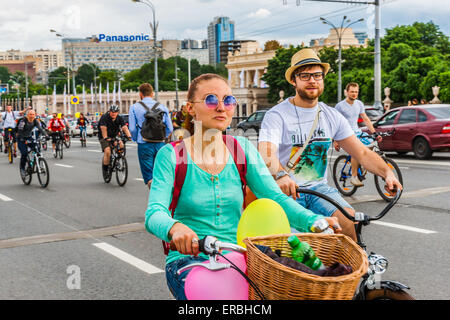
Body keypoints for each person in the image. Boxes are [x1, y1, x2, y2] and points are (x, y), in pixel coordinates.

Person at [144, 73, 342, 300]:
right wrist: (175, 229)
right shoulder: (171, 155)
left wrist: (312, 220)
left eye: (228, 101)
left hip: (240, 256)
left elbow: (275, 198)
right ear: (190, 108)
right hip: (190, 260)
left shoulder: (242, 149)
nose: (221, 107)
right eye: (210, 100)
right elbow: (154, 213)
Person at [258, 48, 403, 241]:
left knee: (349, 219)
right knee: (297, 242)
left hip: (318, 189)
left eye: (317, 75)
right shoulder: (277, 115)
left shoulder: (331, 115)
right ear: (294, 80)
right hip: (285, 191)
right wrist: (281, 175)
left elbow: (361, 153)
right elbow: (266, 151)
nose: (312, 80)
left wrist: (387, 173)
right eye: (305, 75)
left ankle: (354, 267)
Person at [334, 82, 382, 187]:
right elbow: (334, 123)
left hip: (357, 131)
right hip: (345, 134)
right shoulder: (340, 106)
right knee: (356, 150)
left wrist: (374, 133)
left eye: (356, 92)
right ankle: (354, 177)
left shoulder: (359, 104)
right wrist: (335, 140)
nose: (354, 94)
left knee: (371, 144)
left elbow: (365, 118)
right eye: (352, 92)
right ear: (346, 92)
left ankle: (362, 163)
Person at [129, 83, 173, 189]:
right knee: (162, 173)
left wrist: (136, 138)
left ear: (140, 94)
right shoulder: (162, 107)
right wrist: (163, 136)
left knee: (149, 176)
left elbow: (132, 128)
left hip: (144, 143)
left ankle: (155, 197)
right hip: (160, 143)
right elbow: (170, 128)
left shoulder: (134, 107)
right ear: (152, 94)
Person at [98, 105, 132, 176]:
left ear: (117, 112)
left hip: (114, 136)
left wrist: (129, 136)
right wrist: (106, 137)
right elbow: (103, 128)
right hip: (104, 136)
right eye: (112, 112)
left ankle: (118, 158)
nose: (113, 113)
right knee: (107, 151)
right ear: (109, 111)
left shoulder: (119, 118)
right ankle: (105, 170)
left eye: (115, 112)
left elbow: (124, 127)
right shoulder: (104, 117)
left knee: (121, 144)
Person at [16, 109, 48, 176]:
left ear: (35, 115)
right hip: (21, 138)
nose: (31, 116)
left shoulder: (35, 121)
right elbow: (20, 130)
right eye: (30, 114)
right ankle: (22, 169)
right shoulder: (23, 121)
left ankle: (34, 160)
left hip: (29, 137)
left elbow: (40, 129)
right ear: (28, 115)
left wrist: (46, 135)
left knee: (37, 148)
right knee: (24, 154)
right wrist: (22, 139)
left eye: (33, 114)